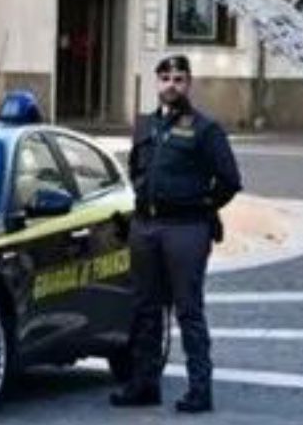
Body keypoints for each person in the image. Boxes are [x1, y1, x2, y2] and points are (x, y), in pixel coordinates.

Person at [112, 54, 242, 415]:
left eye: (179, 79)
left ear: (189, 84)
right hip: (146, 226)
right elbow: (136, 168)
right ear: (157, 82)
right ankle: (144, 383)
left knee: (188, 309)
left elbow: (230, 180)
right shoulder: (145, 125)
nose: (172, 85)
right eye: (166, 78)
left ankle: (200, 389)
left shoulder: (205, 129)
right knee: (145, 309)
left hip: (186, 228)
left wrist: (201, 206)